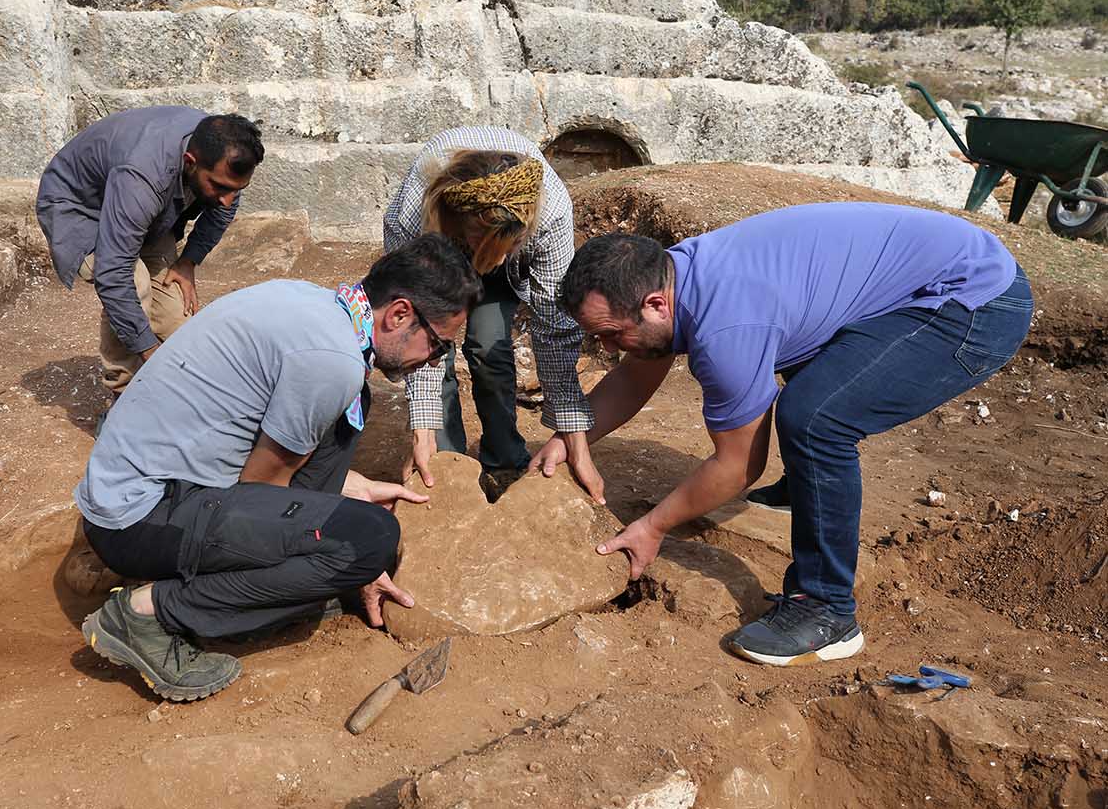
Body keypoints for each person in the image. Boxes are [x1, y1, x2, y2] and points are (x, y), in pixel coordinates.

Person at [549, 203, 1032, 666]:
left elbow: (738, 466)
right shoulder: (674, 275)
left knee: (817, 419)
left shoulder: (726, 327)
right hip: (916, 277)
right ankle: (809, 485)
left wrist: (652, 527)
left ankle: (826, 610)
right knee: (802, 377)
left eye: (610, 334)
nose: (606, 347)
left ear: (655, 303)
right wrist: (572, 435)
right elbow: (638, 373)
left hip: (976, 299)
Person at [77, 234, 483, 702]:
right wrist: (345, 567)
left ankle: (232, 582)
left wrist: (347, 485)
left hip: (133, 491)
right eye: (437, 345)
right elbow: (262, 487)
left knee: (345, 424)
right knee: (368, 542)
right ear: (399, 315)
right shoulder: (332, 363)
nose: (433, 359)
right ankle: (149, 613)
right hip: (139, 519)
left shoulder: (311, 305)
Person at [383, 127, 602, 500]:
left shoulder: (551, 213)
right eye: (487, 249)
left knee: (490, 346)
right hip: (444, 247)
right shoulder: (414, 217)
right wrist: (421, 426)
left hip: (502, 248)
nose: (494, 260)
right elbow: (418, 325)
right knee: (436, 349)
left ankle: (504, 461)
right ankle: (444, 460)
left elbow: (555, 327)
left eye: (509, 246)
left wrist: (575, 438)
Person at [36, 106, 264, 393]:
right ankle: (123, 398)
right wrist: (148, 352)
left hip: (144, 213)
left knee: (176, 322)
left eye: (237, 190)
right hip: (80, 210)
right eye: (220, 187)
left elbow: (223, 207)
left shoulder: (222, 151)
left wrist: (188, 262)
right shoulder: (143, 174)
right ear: (190, 162)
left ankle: (184, 393)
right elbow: (113, 275)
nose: (228, 201)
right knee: (135, 283)